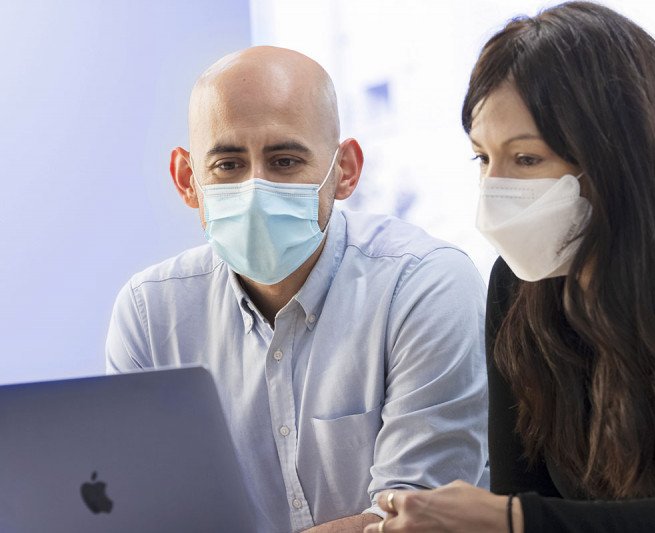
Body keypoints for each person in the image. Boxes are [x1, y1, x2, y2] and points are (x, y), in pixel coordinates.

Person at [365, 2, 655, 532]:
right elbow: (523, 493)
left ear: (615, 157)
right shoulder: (517, 283)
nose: (493, 188)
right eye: (482, 158)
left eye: (526, 159)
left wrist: (513, 519)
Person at [105, 46, 489, 533]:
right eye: (227, 165)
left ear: (345, 169)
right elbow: (146, 508)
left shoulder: (424, 285)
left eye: (285, 161)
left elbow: (414, 521)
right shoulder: (149, 314)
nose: (255, 187)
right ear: (187, 179)